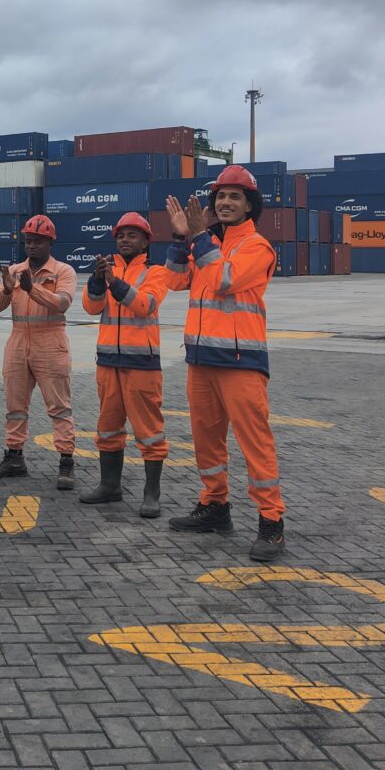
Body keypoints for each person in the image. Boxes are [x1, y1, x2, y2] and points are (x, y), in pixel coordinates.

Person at [164, 164, 285, 562]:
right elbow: (174, 280)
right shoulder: (208, 243)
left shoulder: (257, 247)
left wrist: (199, 236)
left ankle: (271, 522)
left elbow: (224, 280)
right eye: (221, 196)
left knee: (255, 443)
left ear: (250, 205)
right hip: (201, 360)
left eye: (235, 196)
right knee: (206, 439)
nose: (226, 202)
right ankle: (215, 506)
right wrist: (180, 238)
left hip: (241, 362)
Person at [79, 213, 169, 516]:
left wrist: (114, 283)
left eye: (132, 235)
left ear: (145, 241)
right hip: (108, 363)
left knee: (150, 431)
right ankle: (109, 486)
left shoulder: (156, 272)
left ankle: (152, 493)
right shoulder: (107, 269)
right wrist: (96, 281)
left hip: (142, 364)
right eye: (120, 235)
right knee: (107, 427)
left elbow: (145, 305)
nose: (125, 240)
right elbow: (91, 308)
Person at [0, 215, 77, 486]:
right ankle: (14, 457)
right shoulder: (14, 271)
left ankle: (66, 461)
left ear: (50, 243)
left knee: (59, 406)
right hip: (18, 341)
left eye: (38, 241)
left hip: (50, 342)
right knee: (14, 405)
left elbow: (62, 303)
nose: (32, 246)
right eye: (28, 241)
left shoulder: (63, 271)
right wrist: (7, 289)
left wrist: (31, 289)